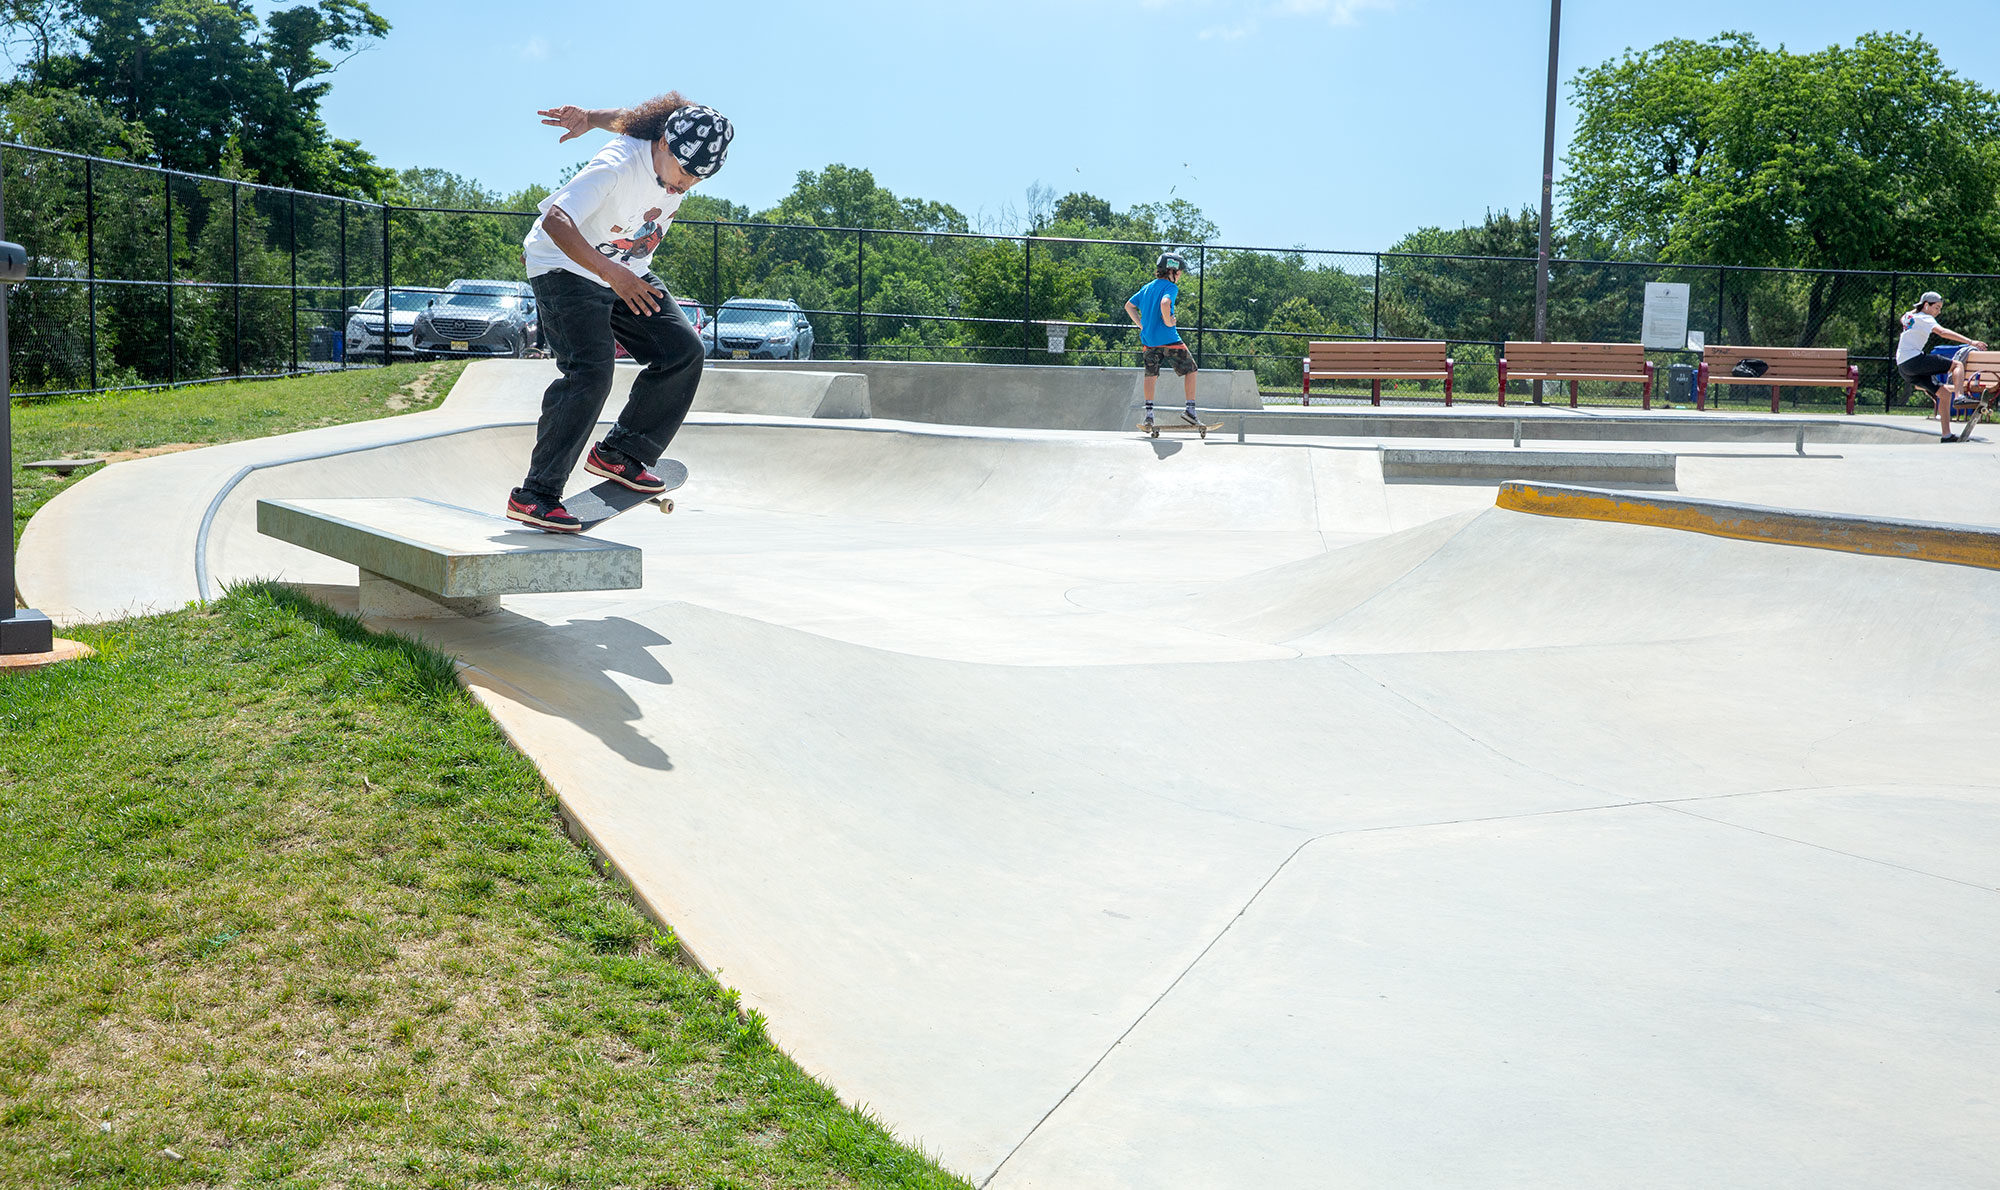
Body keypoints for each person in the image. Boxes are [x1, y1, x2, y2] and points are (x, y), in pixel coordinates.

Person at [505, 94, 734, 531]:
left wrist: (589, 117)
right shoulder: (616, 166)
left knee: (682, 351)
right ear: (664, 143)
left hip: (627, 271)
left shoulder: (661, 138)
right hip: (564, 266)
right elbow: (556, 220)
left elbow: (626, 118)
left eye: (696, 180)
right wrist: (612, 274)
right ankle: (535, 495)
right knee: (590, 373)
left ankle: (621, 452)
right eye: (683, 172)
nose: (683, 186)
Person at [1894, 291, 1986, 443]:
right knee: (1957, 365)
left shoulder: (1909, 316)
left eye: (1940, 308)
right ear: (1926, 305)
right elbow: (1942, 332)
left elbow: (1902, 318)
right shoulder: (1926, 318)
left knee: (1943, 394)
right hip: (1914, 360)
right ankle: (1960, 397)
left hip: (1903, 367)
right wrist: (1971, 342)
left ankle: (1946, 435)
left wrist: (1915, 308)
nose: (1938, 311)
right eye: (1936, 307)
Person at [1124, 252, 1198, 426]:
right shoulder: (1170, 287)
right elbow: (1165, 303)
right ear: (1171, 271)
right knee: (1191, 370)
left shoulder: (1147, 288)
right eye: (1179, 272)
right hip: (1169, 339)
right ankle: (1190, 410)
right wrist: (1167, 321)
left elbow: (1129, 306)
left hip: (1149, 341)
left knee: (1151, 375)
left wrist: (1141, 325)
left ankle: (1149, 415)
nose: (1180, 276)